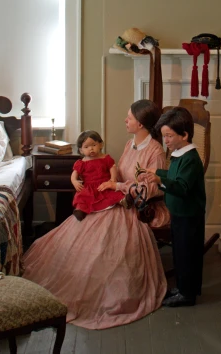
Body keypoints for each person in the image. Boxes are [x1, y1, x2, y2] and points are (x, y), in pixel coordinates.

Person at [22, 100, 167, 329]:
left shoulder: (155, 151)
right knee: (78, 230)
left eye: (128, 117)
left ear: (140, 124)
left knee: (103, 240)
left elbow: (152, 189)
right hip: (113, 197)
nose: (125, 120)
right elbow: (117, 172)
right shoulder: (131, 145)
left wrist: (116, 187)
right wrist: (101, 182)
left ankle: (101, 288)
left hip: (132, 205)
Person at [140, 107, 206, 308]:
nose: (165, 141)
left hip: (189, 214)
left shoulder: (191, 159)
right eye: (164, 136)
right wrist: (157, 171)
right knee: (179, 252)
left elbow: (182, 186)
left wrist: (159, 178)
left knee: (188, 255)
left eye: (169, 136)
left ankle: (188, 293)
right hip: (178, 213)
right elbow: (174, 175)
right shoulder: (178, 154)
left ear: (184, 135)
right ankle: (182, 287)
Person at [70, 131, 122, 221]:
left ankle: (123, 201)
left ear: (101, 145)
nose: (91, 149)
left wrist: (113, 179)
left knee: (112, 194)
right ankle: (80, 210)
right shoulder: (81, 163)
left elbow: (112, 167)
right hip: (88, 187)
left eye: (94, 145)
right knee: (82, 197)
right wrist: (74, 181)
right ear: (81, 150)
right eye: (86, 147)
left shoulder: (105, 158)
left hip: (104, 184)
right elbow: (74, 174)